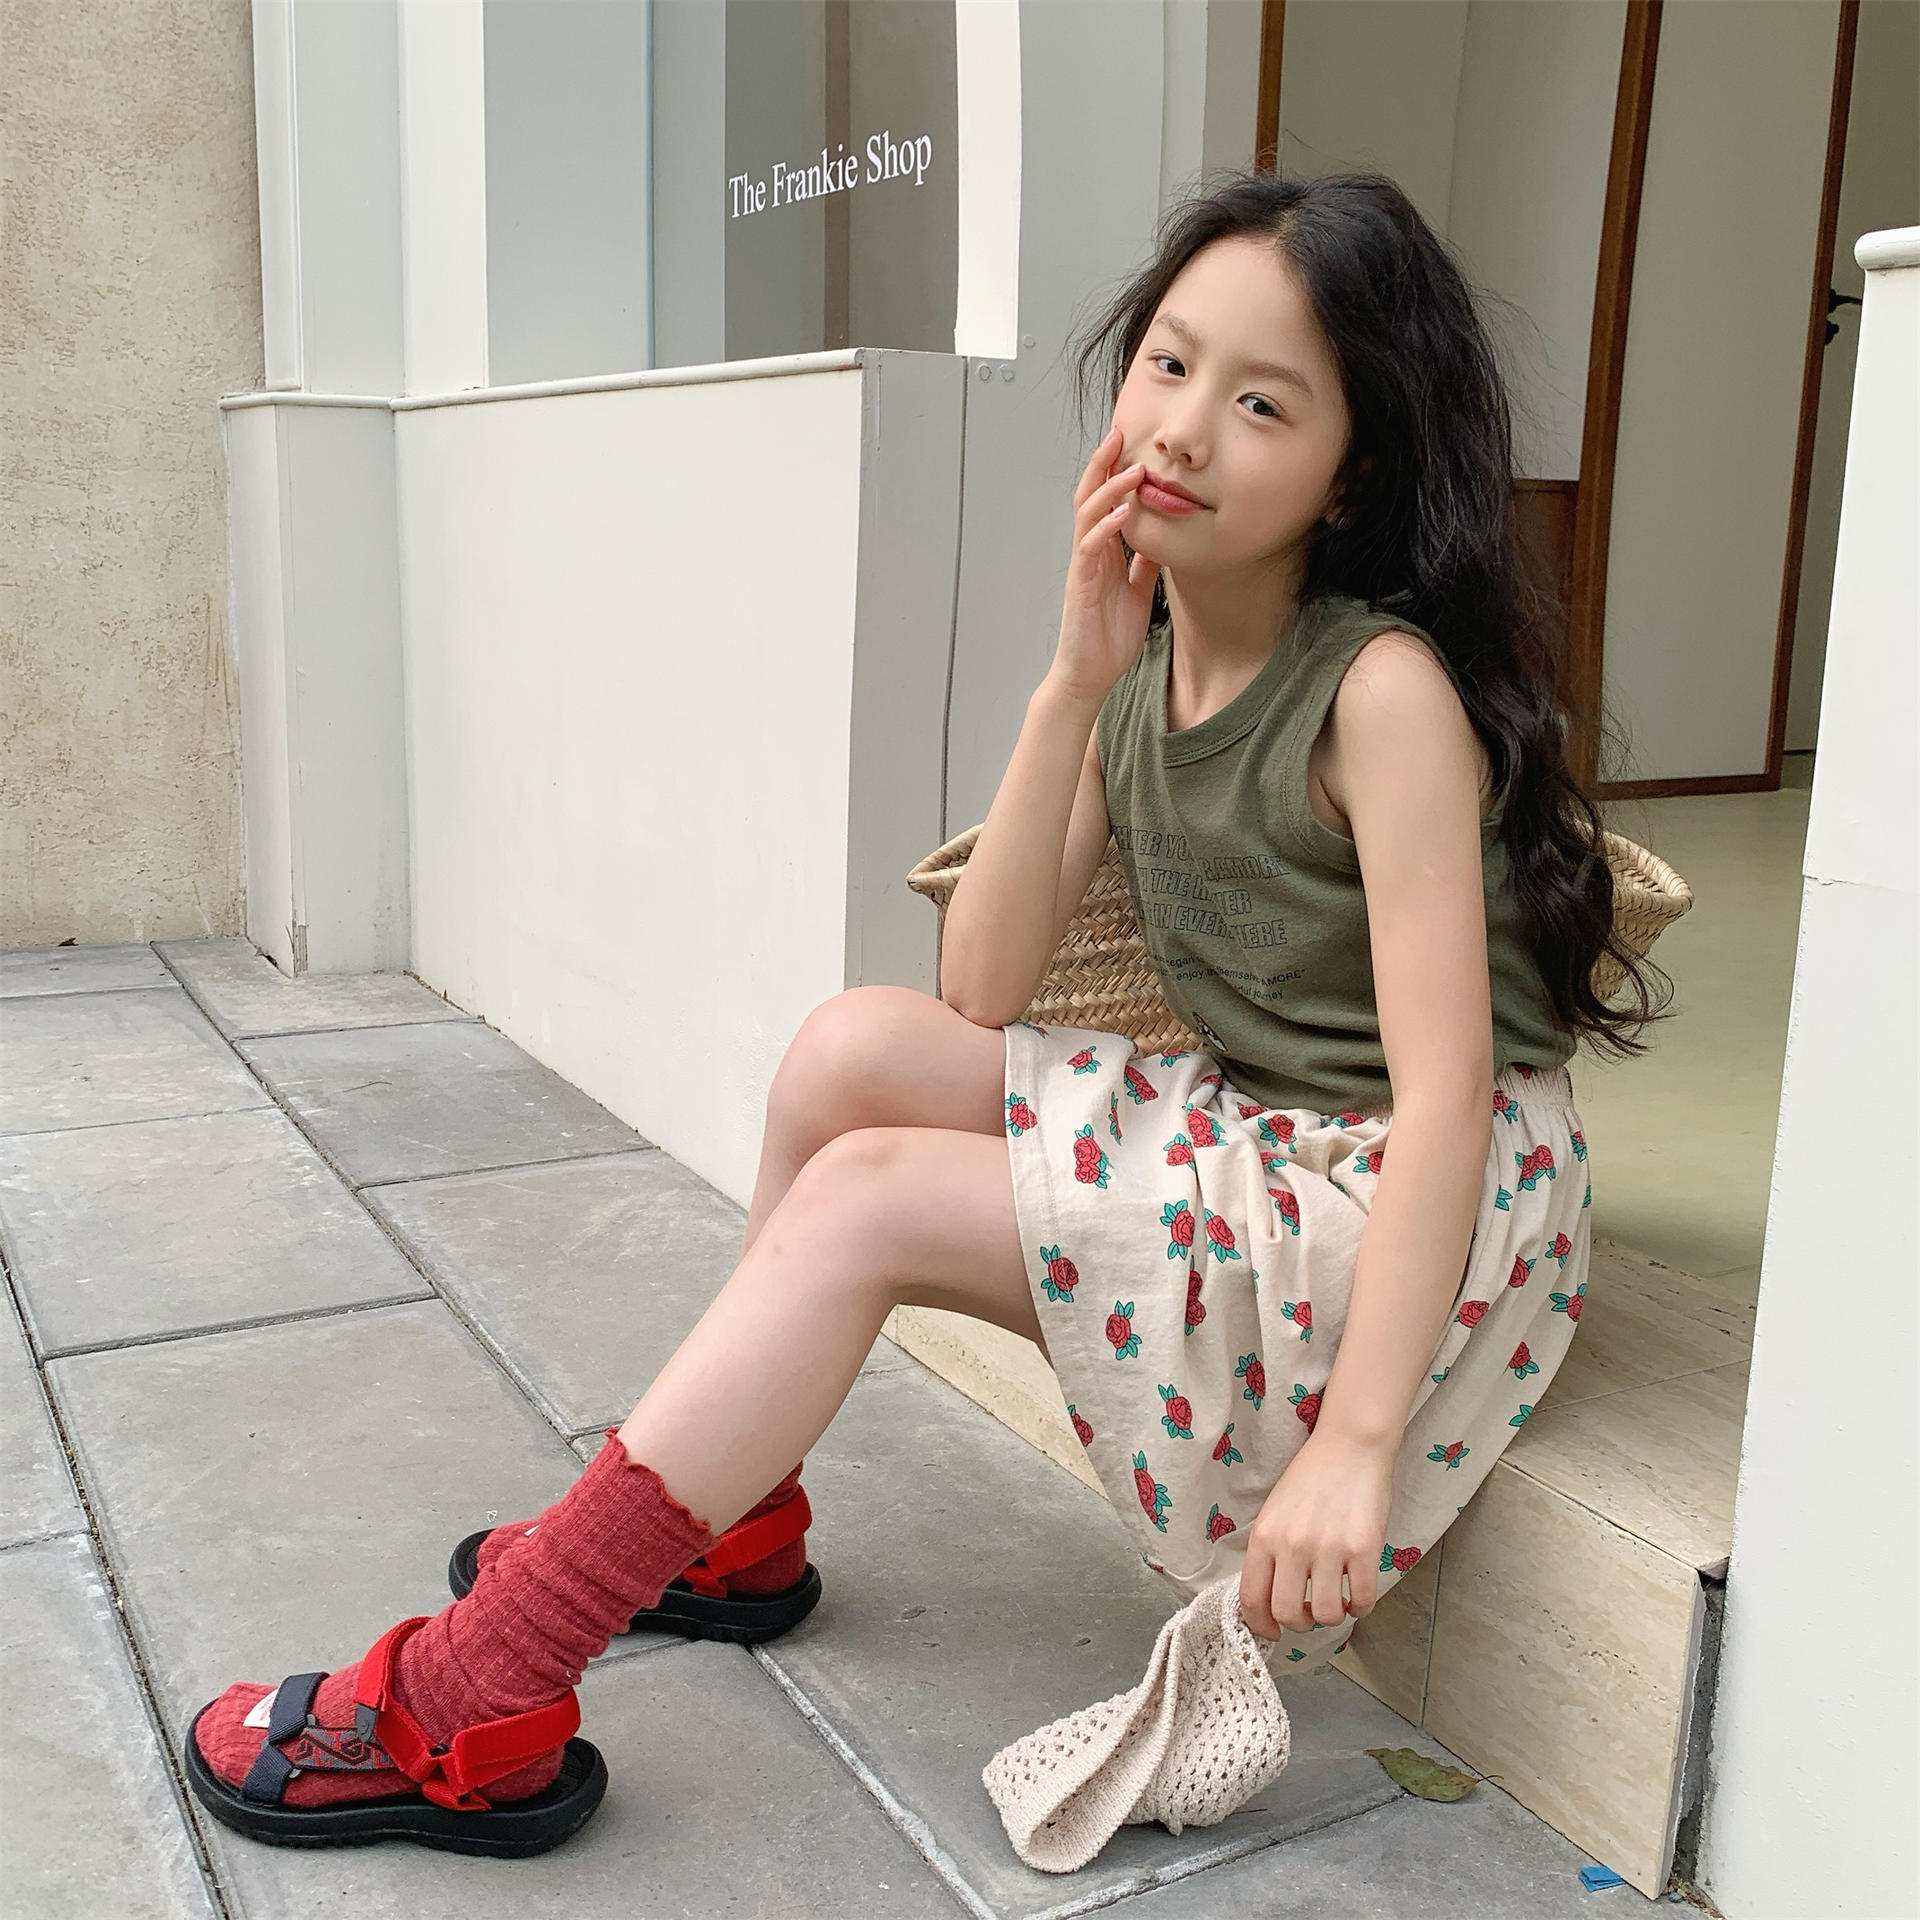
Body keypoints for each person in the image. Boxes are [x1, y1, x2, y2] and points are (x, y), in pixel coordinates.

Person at [184, 169, 1666, 1856]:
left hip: (1411, 1202)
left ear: (1358, 473)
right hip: (1262, 1130)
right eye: (1170, 364)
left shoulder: (1380, 692)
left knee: (868, 1200)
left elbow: (1452, 1095)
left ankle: (482, 1689)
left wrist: (1359, 1444)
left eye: (1265, 404)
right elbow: (983, 986)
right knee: (850, 1051)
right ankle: (734, 1530)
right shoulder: (1143, 668)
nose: (1185, 429)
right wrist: (1073, 679)